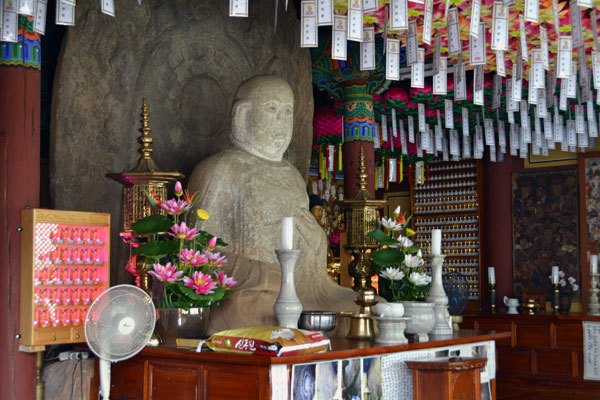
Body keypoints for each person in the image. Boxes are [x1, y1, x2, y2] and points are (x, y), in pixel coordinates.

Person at [189, 75, 356, 333]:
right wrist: (265, 274)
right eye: (272, 109)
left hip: (302, 291)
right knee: (246, 308)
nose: (282, 121)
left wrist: (315, 239)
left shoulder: (291, 175)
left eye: (288, 111)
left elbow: (310, 261)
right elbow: (197, 252)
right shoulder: (220, 169)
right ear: (243, 115)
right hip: (257, 291)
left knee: (362, 307)